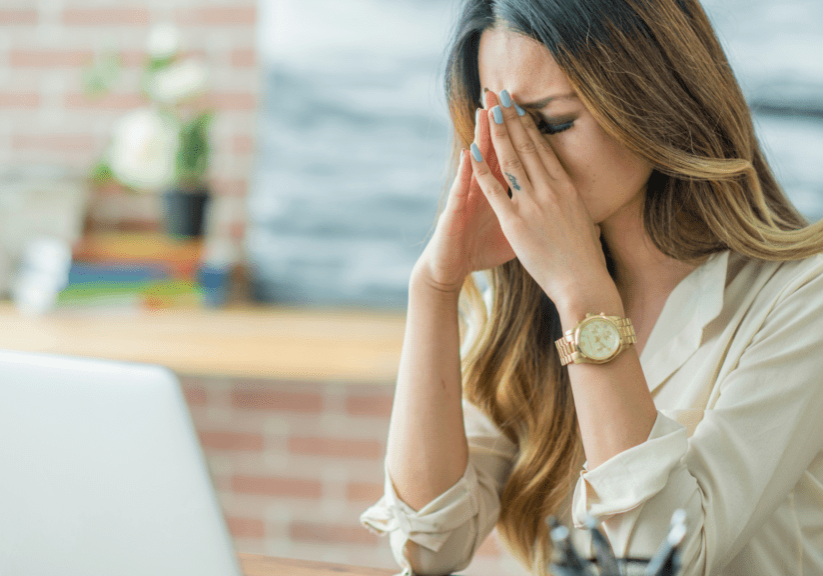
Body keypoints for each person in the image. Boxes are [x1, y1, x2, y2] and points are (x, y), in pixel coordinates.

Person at [360, 0, 823, 574]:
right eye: (499, 126)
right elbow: (430, 543)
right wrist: (434, 285)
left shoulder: (803, 299)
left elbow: (655, 559)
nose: (517, 158)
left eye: (552, 123)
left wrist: (581, 292)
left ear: (654, 99)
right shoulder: (522, 292)